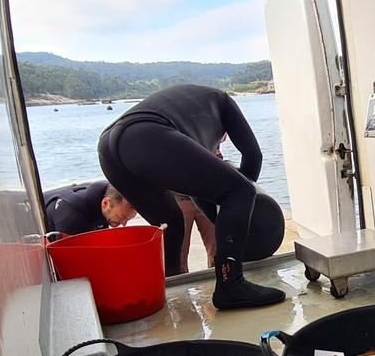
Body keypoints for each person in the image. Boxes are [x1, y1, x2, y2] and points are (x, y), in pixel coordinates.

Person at [97, 84, 284, 309]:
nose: (220, 142)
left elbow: (197, 191)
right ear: (225, 133)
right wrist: (242, 205)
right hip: (146, 135)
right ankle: (231, 285)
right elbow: (253, 155)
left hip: (109, 146)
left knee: (171, 222)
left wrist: (233, 216)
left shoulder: (194, 112)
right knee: (241, 191)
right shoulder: (223, 101)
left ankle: (169, 291)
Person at [42, 181, 137, 235]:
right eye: (121, 217)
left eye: (128, 219)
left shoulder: (103, 196)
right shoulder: (73, 218)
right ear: (105, 203)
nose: (124, 224)